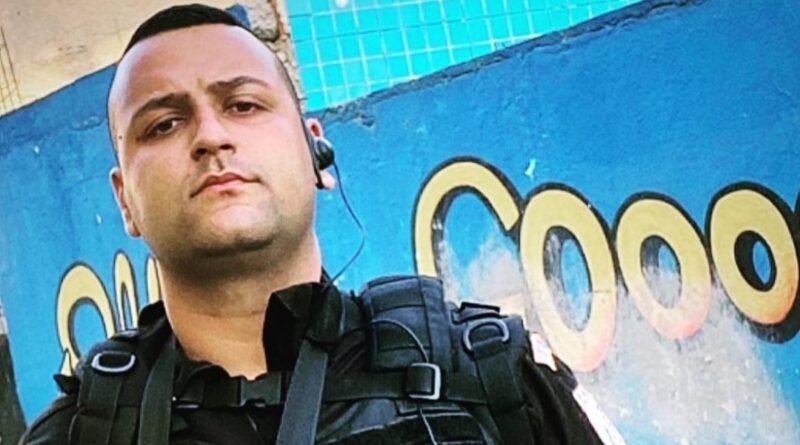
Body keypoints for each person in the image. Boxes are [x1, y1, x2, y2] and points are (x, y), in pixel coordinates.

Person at [20, 4, 625, 445]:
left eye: (243, 104)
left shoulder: (490, 376)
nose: (211, 136)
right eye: (163, 125)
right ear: (124, 201)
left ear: (318, 154)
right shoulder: (78, 433)